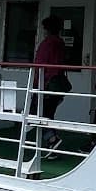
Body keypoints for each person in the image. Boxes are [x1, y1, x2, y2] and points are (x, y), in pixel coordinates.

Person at [34, 15, 71, 149]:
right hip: (57, 83)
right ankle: (52, 143)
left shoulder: (47, 44)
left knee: (37, 113)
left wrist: (37, 83)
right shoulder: (60, 43)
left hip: (47, 84)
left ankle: (52, 139)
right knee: (48, 113)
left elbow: (41, 65)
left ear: (46, 29)